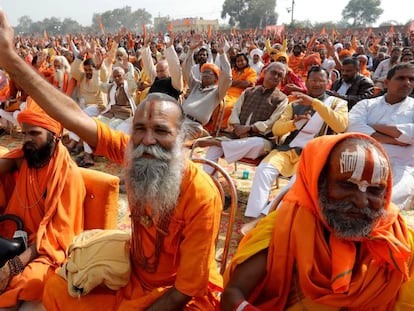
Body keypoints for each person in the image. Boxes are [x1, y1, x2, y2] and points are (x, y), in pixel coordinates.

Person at [0, 11, 223, 310]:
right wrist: (12, 61)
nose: (148, 140)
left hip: (176, 296)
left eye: (161, 131)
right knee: (54, 288)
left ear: (183, 137)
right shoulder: (134, 153)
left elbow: (183, 290)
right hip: (131, 278)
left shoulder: (201, 195)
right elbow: (75, 116)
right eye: (140, 129)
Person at [221, 133, 414, 310]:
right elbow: (233, 295)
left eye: (375, 190)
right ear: (317, 183)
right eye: (347, 185)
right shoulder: (285, 229)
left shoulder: (401, 242)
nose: (361, 201)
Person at [0, 100, 85, 310]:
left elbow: (57, 238)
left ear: (54, 136)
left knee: (24, 281)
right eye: (24, 133)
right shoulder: (24, 159)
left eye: (34, 134)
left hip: (46, 253)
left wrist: (14, 265)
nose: (27, 140)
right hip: (12, 238)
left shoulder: (68, 176)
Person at [242, 66, 348, 233]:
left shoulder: (337, 104)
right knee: (264, 169)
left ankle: (266, 218)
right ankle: (254, 216)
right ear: (306, 82)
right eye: (313, 80)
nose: (317, 84)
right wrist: (293, 123)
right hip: (288, 149)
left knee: (296, 183)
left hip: (315, 154)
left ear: (329, 83)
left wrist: (314, 104)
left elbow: (340, 126)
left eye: (321, 80)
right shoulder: (295, 104)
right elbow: (277, 129)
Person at [347, 62, 414, 209]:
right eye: (401, 78)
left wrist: (372, 126)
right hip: (362, 159)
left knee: (385, 202)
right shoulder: (366, 105)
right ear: (386, 82)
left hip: (401, 167)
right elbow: (352, 126)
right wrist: (394, 138)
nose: (407, 82)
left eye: (411, 79)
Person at [201, 62, 288, 174]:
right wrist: (237, 127)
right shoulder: (249, 92)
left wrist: (249, 128)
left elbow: (272, 123)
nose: (276, 77)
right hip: (237, 136)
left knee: (258, 144)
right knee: (213, 151)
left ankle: (221, 143)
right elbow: (235, 111)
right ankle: (211, 183)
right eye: (273, 73)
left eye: (279, 75)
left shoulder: (282, 99)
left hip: (260, 139)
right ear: (265, 73)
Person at [182, 37, 232, 139]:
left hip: (193, 127)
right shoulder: (196, 84)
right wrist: (191, 50)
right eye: (204, 72)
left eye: (210, 72)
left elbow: (227, 77)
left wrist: (222, 54)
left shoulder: (217, 92)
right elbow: (186, 69)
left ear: (216, 79)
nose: (206, 74)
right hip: (180, 120)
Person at [141, 33, 183, 100]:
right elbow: (148, 66)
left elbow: (175, 67)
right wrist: (145, 45)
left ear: (169, 70)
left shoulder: (175, 83)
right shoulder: (156, 79)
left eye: (162, 71)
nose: (159, 73)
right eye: (158, 71)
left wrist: (169, 47)